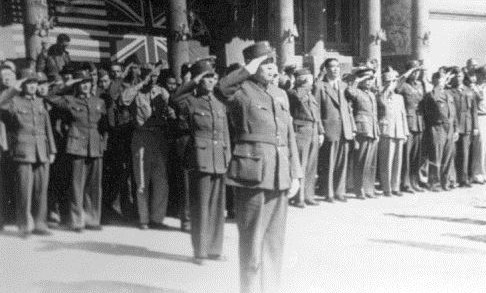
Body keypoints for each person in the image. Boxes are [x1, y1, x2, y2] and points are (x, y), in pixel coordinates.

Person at [217, 41, 302, 293]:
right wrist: (248, 68)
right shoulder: (241, 90)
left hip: (280, 174)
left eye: (273, 63)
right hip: (252, 175)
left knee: (275, 244)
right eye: (265, 63)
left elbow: (289, 136)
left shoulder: (280, 93)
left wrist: (295, 173)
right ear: (252, 66)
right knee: (251, 244)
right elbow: (222, 88)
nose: (271, 68)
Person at [176, 59, 230, 264]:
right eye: (206, 77)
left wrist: (228, 156)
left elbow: (225, 133)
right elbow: (175, 98)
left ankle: (215, 249)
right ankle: (200, 251)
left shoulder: (219, 103)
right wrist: (193, 79)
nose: (211, 81)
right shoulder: (190, 101)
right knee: (200, 207)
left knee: (217, 207)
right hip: (199, 158)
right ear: (199, 80)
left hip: (218, 158)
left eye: (213, 77)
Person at [46, 70, 108, 232]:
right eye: (81, 83)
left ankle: (93, 219)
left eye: (87, 82)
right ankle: (77, 221)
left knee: (94, 186)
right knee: (77, 185)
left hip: (95, 145)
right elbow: (49, 96)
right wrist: (67, 85)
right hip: (76, 145)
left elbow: (104, 126)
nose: (85, 85)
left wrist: (103, 143)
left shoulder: (99, 102)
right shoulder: (70, 100)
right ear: (77, 85)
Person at [0, 69, 57, 237]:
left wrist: (52, 149)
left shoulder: (41, 102)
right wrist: (14, 89)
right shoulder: (13, 102)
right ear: (22, 84)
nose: (32, 86)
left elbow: (47, 128)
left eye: (34, 83)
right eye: (28, 83)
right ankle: (24, 226)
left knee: (41, 189)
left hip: (42, 150)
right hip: (23, 150)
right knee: (24, 190)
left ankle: (40, 224)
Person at [122, 66, 171, 230]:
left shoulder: (161, 92)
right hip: (141, 136)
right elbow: (124, 99)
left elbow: (171, 104)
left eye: (156, 76)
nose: (153, 79)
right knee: (142, 180)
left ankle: (157, 219)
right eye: (150, 76)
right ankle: (144, 219)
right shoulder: (136, 91)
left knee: (161, 181)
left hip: (158, 137)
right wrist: (141, 82)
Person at [314, 58, 355, 203]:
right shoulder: (320, 86)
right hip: (329, 128)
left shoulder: (344, 86)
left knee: (342, 162)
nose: (335, 69)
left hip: (345, 128)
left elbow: (349, 109)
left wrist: (352, 127)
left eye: (337, 66)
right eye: (332, 67)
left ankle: (340, 191)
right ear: (326, 69)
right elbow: (316, 109)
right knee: (329, 162)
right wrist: (320, 130)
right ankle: (328, 192)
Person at [99, 69, 136, 222]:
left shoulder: (122, 100)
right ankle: (111, 209)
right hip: (110, 141)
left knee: (125, 175)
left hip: (123, 140)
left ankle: (126, 209)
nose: (104, 84)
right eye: (101, 82)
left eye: (106, 81)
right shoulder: (101, 98)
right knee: (112, 176)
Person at [287, 68, 324, 207]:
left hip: (313, 129)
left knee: (311, 165)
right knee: (300, 165)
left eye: (309, 78)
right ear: (299, 79)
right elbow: (297, 98)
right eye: (306, 78)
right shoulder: (293, 92)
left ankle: (309, 195)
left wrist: (321, 132)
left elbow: (317, 114)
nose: (310, 81)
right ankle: (299, 197)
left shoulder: (310, 94)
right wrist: (304, 84)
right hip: (301, 130)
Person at [346, 67, 380, 199]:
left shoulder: (371, 94)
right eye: (366, 78)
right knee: (361, 161)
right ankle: (359, 189)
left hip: (372, 129)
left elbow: (374, 114)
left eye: (371, 79)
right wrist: (357, 80)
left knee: (371, 162)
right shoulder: (357, 92)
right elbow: (349, 91)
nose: (369, 81)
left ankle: (369, 189)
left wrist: (376, 131)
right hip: (362, 129)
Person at [424, 71, 458, 192]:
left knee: (448, 156)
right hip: (437, 128)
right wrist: (437, 86)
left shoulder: (448, 95)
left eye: (443, 79)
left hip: (449, 128)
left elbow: (453, 113)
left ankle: (446, 182)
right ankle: (434, 183)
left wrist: (456, 129)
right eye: (438, 79)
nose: (441, 82)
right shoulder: (431, 94)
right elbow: (434, 98)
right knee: (436, 156)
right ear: (434, 81)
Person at [377, 69, 409, 197]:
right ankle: (387, 188)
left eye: (393, 81)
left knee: (397, 161)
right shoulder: (381, 95)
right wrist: (387, 88)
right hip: (387, 131)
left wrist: (405, 132)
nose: (391, 84)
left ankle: (395, 186)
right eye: (388, 81)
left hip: (399, 131)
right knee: (386, 161)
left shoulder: (399, 97)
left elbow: (403, 115)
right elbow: (382, 99)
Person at [396, 60, 427, 193]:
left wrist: (424, 76)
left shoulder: (421, 84)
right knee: (407, 155)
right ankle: (405, 183)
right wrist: (406, 74)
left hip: (419, 122)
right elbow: (396, 87)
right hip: (408, 122)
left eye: (417, 71)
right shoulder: (403, 85)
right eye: (413, 71)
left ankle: (414, 182)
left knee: (416, 155)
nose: (416, 74)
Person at [448, 68, 479, 188]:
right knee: (454, 153)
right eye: (456, 76)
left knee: (465, 153)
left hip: (467, 125)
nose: (458, 78)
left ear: (463, 77)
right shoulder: (449, 91)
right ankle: (452, 179)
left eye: (460, 76)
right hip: (454, 125)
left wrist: (475, 126)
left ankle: (464, 179)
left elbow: (474, 110)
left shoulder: (469, 91)